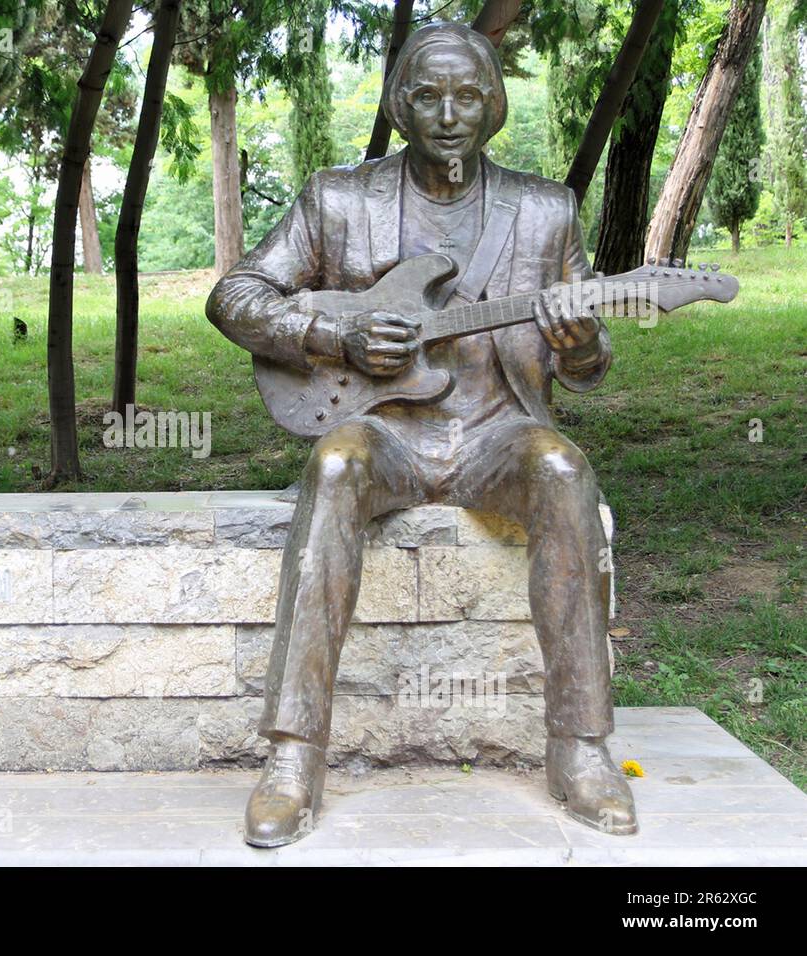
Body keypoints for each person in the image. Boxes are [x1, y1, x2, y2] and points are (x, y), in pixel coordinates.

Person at [206, 22, 635, 847]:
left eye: (468, 95)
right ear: (400, 104)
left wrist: (581, 342)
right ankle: (294, 759)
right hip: (385, 430)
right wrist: (334, 339)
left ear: (493, 105)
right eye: (429, 95)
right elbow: (237, 295)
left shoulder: (547, 211)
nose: (449, 113)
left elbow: (586, 368)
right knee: (332, 468)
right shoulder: (337, 198)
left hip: (496, 434)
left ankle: (581, 748)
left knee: (562, 469)